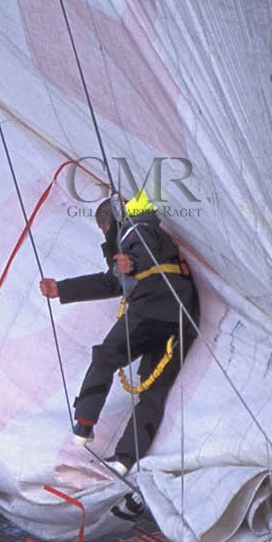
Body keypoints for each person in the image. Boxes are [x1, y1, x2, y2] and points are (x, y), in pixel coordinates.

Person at [39, 192, 197, 489]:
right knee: (152, 392)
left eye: (104, 231)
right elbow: (113, 281)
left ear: (109, 223)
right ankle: (124, 459)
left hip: (152, 309)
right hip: (181, 320)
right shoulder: (141, 238)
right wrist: (62, 289)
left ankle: (85, 421)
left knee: (105, 356)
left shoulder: (137, 230)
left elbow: (142, 250)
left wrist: (131, 261)